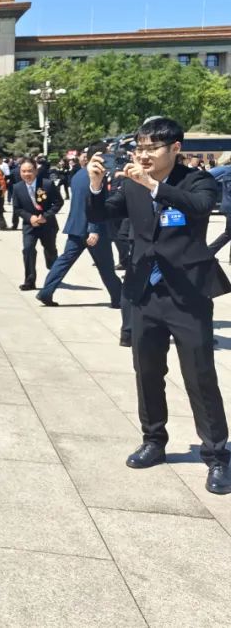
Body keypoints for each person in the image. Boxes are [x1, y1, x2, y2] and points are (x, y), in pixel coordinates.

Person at [87, 116, 231, 495]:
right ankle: (154, 440)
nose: (144, 155)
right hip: (144, 292)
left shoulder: (197, 180)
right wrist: (96, 186)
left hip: (187, 294)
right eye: (140, 148)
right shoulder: (131, 183)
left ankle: (217, 455)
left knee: (200, 375)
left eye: (152, 148)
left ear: (175, 148)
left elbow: (200, 207)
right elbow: (101, 213)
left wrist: (153, 186)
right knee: (147, 370)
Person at [36, 151, 123, 309]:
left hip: (76, 227)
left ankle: (46, 291)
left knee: (64, 261)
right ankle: (119, 298)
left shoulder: (78, 175)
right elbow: (92, 203)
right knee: (106, 266)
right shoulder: (95, 176)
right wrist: (94, 228)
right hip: (94, 229)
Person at [13, 157, 63, 290]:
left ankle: (54, 274)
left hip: (48, 225)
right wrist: (30, 218)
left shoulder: (47, 184)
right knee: (28, 249)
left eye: (29, 171)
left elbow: (58, 202)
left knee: (50, 250)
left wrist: (45, 216)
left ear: (36, 171)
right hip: (30, 225)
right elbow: (17, 208)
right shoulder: (17, 187)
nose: (26, 174)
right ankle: (29, 281)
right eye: (23, 171)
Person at [207, 153, 231, 262]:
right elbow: (205, 176)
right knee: (228, 234)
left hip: (227, 206)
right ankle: (207, 253)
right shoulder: (226, 169)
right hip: (229, 207)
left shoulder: (225, 169)